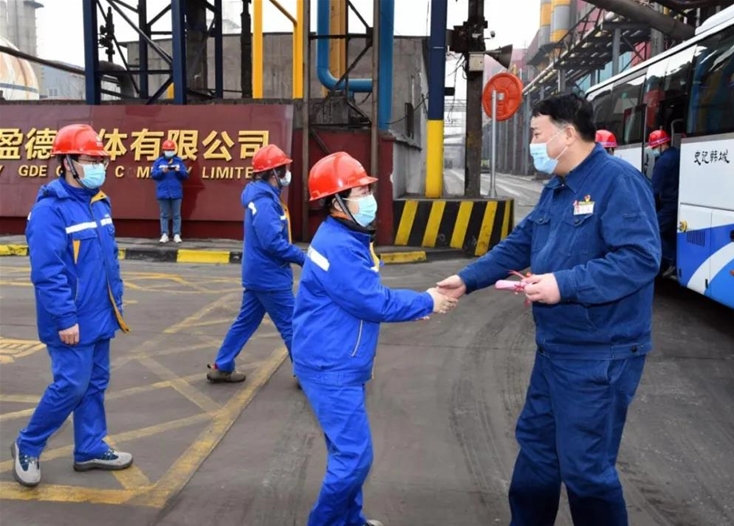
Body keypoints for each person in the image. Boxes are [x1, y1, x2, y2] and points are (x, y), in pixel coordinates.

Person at [436, 93, 661, 526]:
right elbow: (520, 243)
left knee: (585, 470)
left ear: (567, 133)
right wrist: (468, 279)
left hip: (600, 353)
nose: (533, 144)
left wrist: (564, 283)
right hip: (556, 348)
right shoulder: (557, 187)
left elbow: (639, 259)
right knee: (538, 454)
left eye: (537, 134)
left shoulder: (618, 183)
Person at [292, 151, 457, 526]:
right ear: (336, 202)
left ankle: (349, 520)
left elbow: (364, 296)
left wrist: (417, 305)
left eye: (368, 190)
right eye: (360, 192)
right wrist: (426, 301)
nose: (370, 199)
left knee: (346, 454)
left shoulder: (344, 237)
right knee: (355, 458)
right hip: (330, 364)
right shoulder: (337, 245)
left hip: (335, 358)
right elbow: (371, 301)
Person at [11, 124, 133, 487]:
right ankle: (27, 444)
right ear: (66, 163)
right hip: (71, 320)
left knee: (95, 383)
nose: (98, 166)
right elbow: (48, 273)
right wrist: (65, 318)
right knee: (71, 386)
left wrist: (116, 303)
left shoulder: (99, 202)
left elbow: (109, 260)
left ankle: (90, 447)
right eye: (90, 159)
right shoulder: (50, 211)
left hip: (101, 315)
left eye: (101, 160)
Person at [207, 144, 305, 384]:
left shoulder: (261, 196)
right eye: (283, 170)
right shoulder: (264, 202)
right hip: (270, 277)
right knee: (291, 324)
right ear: (273, 174)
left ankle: (222, 365)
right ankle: (307, 374)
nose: (287, 174)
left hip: (259, 274)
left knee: (246, 322)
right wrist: (303, 258)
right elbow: (273, 242)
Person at [648, 129, 680, 277]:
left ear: (662, 144)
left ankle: (671, 259)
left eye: (655, 147)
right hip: (677, 202)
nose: (654, 150)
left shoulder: (663, 161)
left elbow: (654, 188)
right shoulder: (677, 154)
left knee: (654, 230)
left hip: (668, 204)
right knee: (671, 234)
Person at [151, 139, 188, 244]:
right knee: (164, 215)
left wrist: (179, 171)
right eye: (167, 150)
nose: (169, 152)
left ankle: (176, 234)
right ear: (163, 150)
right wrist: (162, 171)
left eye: (171, 150)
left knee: (176, 215)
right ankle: (164, 234)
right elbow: (153, 175)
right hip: (163, 192)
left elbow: (185, 175)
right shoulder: (158, 162)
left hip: (176, 192)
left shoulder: (179, 161)